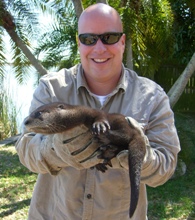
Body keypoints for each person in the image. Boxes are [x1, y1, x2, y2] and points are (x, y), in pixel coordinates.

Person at [16, 3, 180, 220]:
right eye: (89, 39)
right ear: (79, 43)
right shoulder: (51, 88)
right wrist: (55, 150)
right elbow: (26, 149)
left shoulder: (152, 96)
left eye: (109, 38)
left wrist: (132, 151)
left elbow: (166, 166)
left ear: (122, 42)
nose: (99, 48)